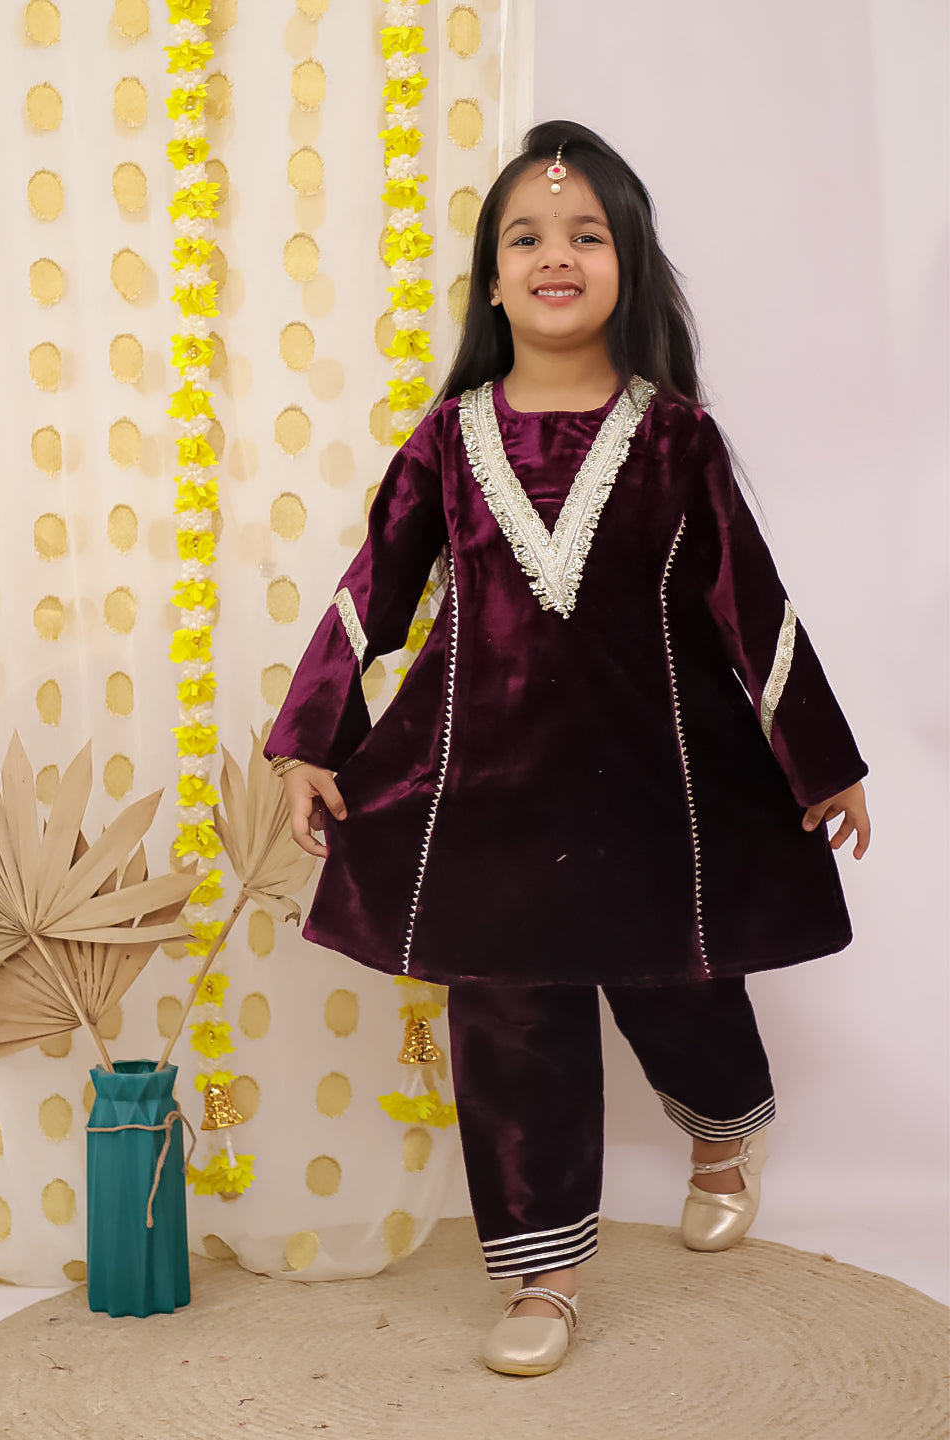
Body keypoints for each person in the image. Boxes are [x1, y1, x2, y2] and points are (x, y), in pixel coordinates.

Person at [265, 119, 870, 1377]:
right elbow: (373, 594)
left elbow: (750, 604)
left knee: (678, 990)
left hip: (653, 792)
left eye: (587, 234)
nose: (556, 255)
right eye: (527, 237)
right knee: (509, 1021)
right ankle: (541, 1274)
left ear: (627, 266)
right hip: (480, 796)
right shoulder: (445, 441)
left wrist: (823, 760)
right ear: (490, 281)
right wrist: (310, 733)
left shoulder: (677, 439)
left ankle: (723, 1129)